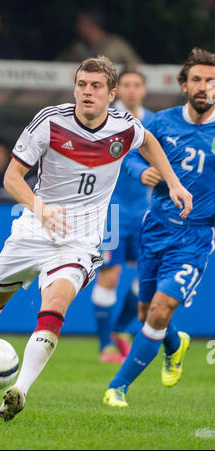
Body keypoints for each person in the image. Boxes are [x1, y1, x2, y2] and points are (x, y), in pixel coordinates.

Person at [0, 55, 192, 422]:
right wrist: (41, 209)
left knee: (55, 307)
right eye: (82, 84)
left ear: (111, 94)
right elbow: (11, 178)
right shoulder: (49, 122)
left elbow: (147, 143)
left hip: (79, 240)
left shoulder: (124, 126)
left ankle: (20, 389)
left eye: (96, 86)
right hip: (34, 228)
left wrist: (174, 182)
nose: (87, 92)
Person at [103, 47, 215, 409]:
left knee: (159, 310)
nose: (203, 86)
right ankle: (174, 344)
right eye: (196, 79)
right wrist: (141, 171)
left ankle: (117, 387)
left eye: (211, 80)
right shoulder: (161, 122)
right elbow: (132, 153)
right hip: (156, 228)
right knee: (145, 313)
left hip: (196, 236)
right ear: (184, 85)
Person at [91, 70, 157, 363]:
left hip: (145, 211)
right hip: (111, 210)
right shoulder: (106, 120)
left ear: (144, 90)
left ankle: (119, 330)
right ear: (117, 91)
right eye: (126, 85)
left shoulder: (155, 121)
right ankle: (106, 345)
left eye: (137, 85)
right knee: (110, 274)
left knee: (148, 276)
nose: (131, 90)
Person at [56, 9, 142, 64]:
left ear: (91, 24)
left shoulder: (117, 46)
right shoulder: (77, 47)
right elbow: (56, 67)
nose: (77, 27)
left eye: (80, 23)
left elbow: (138, 68)